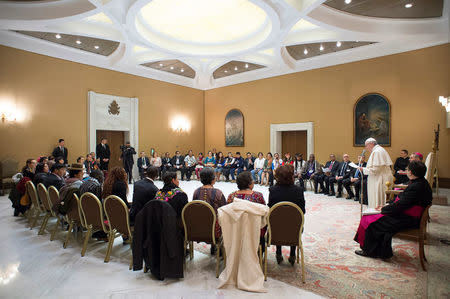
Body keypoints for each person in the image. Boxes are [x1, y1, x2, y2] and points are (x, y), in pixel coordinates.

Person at [354, 161, 432, 259]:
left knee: (371, 221)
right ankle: (382, 251)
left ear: (411, 172)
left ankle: (370, 251)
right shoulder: (420, 182)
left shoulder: (416, 186)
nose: (406, 171)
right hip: (407, 215)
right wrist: (386, 205)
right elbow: (402, 198)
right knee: (372, 218)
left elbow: (401, 205)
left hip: (409, 219)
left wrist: (384, 209)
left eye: (407, 169)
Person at [268, 164, 305, 265]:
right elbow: (302, 211)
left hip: (275, 230)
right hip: (295, 230)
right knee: (292, 221)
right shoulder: (299, 190)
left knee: (278, 221)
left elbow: (270, 210)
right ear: (291, 176)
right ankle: (293, 254)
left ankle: (278, 252)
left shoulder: (272, 190)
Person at [227, 171, 267, 249]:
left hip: (235, 231)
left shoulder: (231, 196)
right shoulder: (258, 196)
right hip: (254, 231)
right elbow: (263, 212)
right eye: (252, 180)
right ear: (249, 184)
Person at [192, 167, 227, 254]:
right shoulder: (218, 193)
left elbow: (193, 209)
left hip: (197, 229)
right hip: (214, 231)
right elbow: (224, 210)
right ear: (212, 179)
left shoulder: (196, 192)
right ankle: (219, 249)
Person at [360, 138, 393, 209]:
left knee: (378, 200)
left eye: (366, 146)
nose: (366, 148)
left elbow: (375, 170)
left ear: (371, 144)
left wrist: (363, 169)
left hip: (379, 179)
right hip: (380, 178)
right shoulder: (379, 150)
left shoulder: (377, 151)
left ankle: (376, 214)